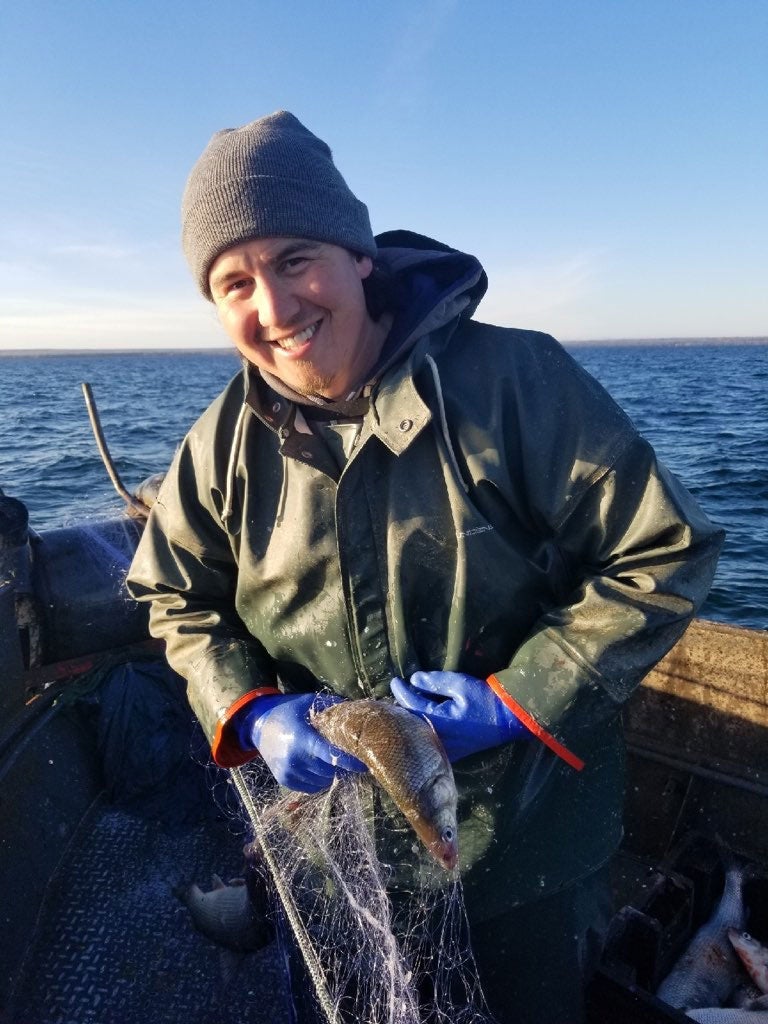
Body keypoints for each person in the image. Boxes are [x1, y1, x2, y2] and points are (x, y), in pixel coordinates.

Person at [127, 110, 724, 1024]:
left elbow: (663, 550)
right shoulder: (216, 451)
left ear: (360, 254)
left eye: (296, 260)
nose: (276, 309)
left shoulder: (517, 383)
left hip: (527, 848)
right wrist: (246, 707)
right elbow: (174, 595)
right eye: (234, 281)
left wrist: (523, 695)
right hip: (339, 862)